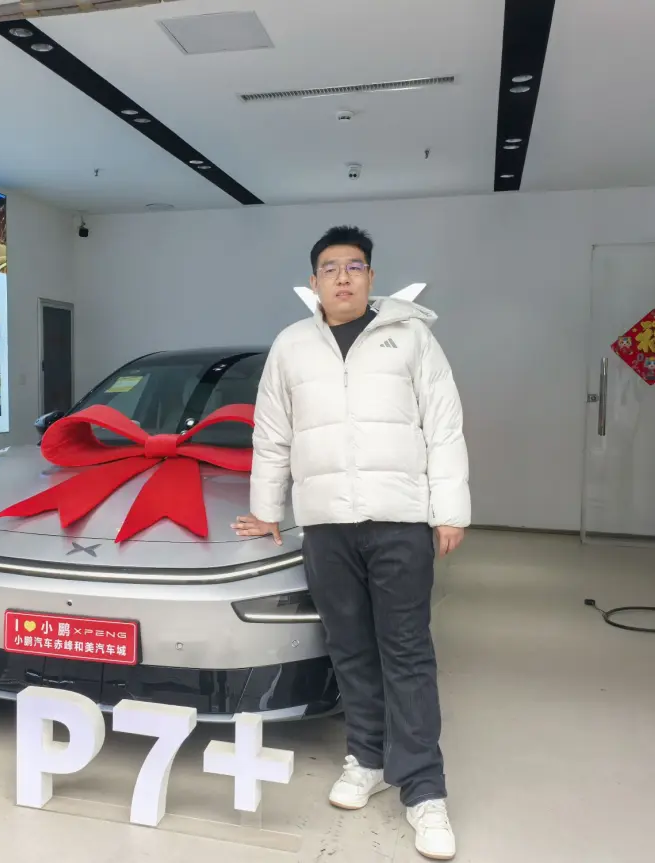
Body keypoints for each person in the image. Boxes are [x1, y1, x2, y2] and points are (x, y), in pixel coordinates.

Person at [233, 225, 469, 861]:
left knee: (406, 650)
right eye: (331, 268)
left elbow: (444, 425)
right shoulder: (292, 345)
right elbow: (272, 432)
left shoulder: (411, 337)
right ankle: (366, 758)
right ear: (313, 281)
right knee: (349, 647)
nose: (343, 277)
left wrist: (450, 510)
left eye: (355, 266)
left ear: (371, 277)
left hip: (401, 521)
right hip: (326, 524)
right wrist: (266, 509)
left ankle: (424, 789)